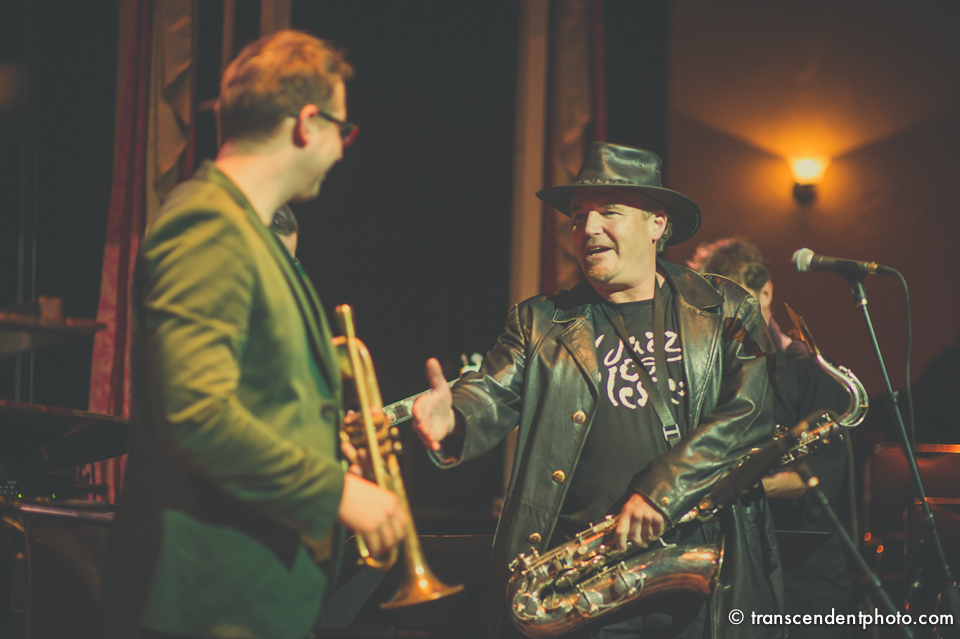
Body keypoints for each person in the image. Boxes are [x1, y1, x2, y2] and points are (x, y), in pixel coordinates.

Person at [103, 30, 406, 639]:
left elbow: (249, 398)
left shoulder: (243, 231)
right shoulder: (206, 225)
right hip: (209, 604)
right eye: (343, 131)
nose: (341, 152)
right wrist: (335, 491)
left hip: (250, 596)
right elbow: (197, 415)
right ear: (308, 124)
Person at [413, 143, 784, 639]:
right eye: (577, 216)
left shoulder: (725, 309)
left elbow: (750, 413)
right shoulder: (539, 321)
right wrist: (454, 418)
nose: (587, 228)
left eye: (609, 211)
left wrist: (661, 490)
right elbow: (491, 393)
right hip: (583, 590)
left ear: (657, 223)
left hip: (701, 585)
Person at [688, 237, 852, 639]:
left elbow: (817, 479)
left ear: (766, 292)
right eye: (721, 308)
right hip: (727, 573)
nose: (732, 320)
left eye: (742, 303)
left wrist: (730, 486)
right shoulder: (706, 375)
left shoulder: (813, 371)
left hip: (803, 582)